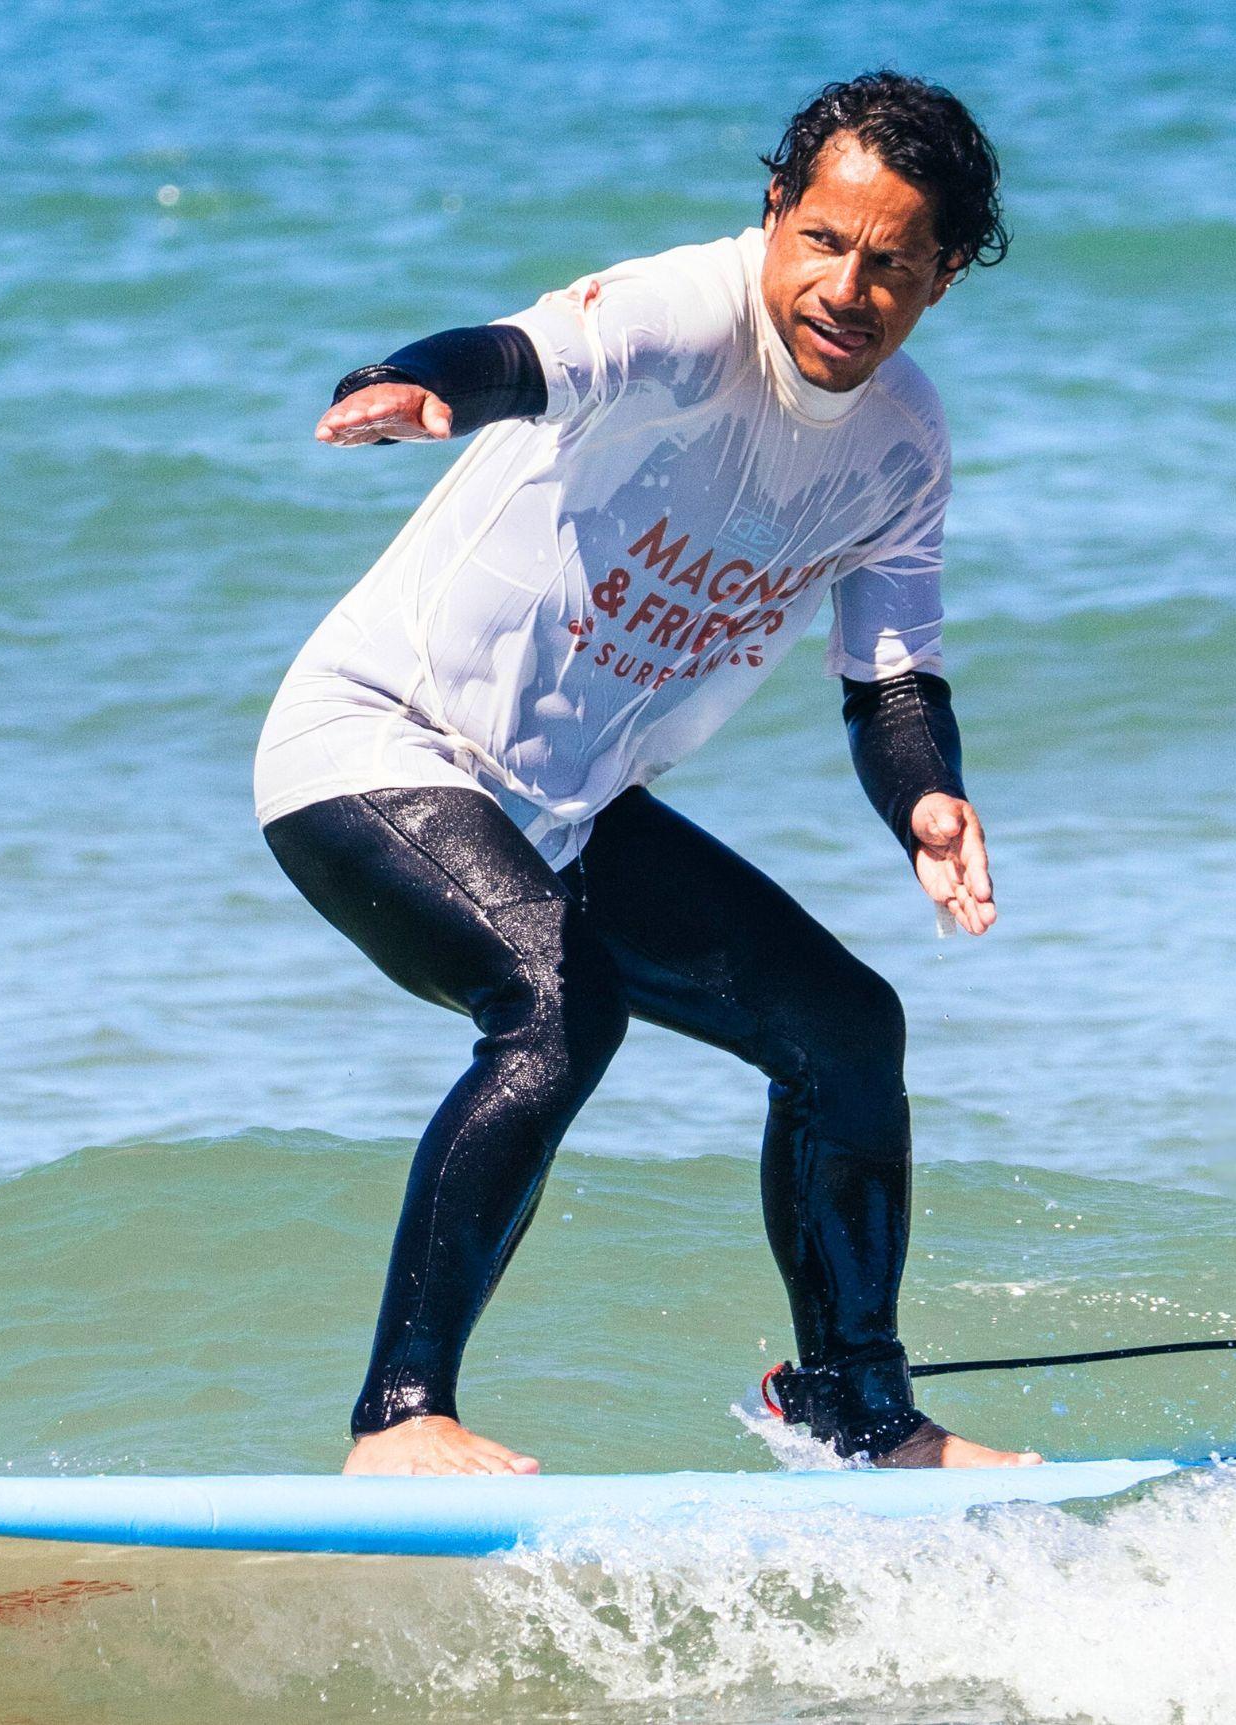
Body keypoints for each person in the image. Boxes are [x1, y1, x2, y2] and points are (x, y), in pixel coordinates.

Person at [255, 71, 1041, 1476]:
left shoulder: (903, 446)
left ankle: (854, 1406)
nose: (847, 287)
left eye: (893, 265)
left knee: (849, 1030)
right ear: (775, 213)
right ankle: (400, 1415)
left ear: (941, 280)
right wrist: (423, 379)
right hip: (379, 740)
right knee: (557, 1003)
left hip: (563, 808)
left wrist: (926, 796)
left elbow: (892, 681)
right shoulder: (686, 315)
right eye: (824, 239)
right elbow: (527, 353)